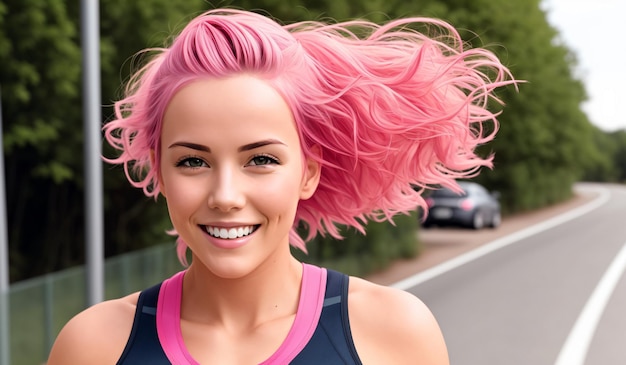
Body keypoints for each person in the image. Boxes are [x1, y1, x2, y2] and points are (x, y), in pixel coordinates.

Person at [48, 8, 515, 364]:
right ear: (160, 170)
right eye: (193, 161)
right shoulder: (93, 346)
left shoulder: (394, 335)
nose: (226, 195)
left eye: (262, 160)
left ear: (308, 171)